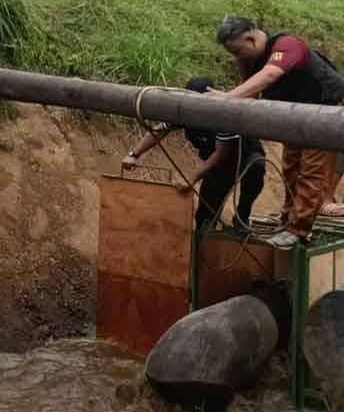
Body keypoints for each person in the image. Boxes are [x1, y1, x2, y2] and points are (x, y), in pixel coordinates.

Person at [212, 16, 344, 248]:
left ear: (251, 38)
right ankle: (287, 221)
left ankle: (298, 230)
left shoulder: (287, 45)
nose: (237, 57)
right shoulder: (250, 58)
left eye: (238, 51)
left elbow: (270, 75)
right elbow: (249, 91)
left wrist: (227, 97)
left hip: (325, 114)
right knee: (291, 169)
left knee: (311, 173)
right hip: (294, 117)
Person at [122, 77, 267, 234]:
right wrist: (134, 154)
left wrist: (192, 177)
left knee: (256, 167)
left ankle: (242, 216)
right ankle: (204, 238)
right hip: (218, 165)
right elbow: (159, 131)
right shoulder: (184, 111)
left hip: (242, 154)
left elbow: (220, 153)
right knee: (204, 219)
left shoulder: (224, 115)